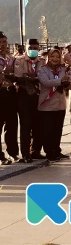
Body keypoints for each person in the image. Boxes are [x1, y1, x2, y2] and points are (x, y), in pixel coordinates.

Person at [13, 39, 44, 163]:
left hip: (38, 95)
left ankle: (35, 151)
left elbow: (43, 76)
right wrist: (34, 78)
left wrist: (32, 78)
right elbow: (19, 77)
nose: (33, 50)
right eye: (31, 48)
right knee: (25, 125)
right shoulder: (19, 60)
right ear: (26, 48)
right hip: (24, 95)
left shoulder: (41, 61)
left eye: (35, 48)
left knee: (38, 124)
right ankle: (25, 153)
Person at [38, 47, 70, 161]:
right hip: (47, 104)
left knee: (58, 129)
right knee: (48, 130)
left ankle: (56, 150)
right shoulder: (43, 69)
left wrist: (66, 81)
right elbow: (46, 82)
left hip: (60, 104)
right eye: (52, 56)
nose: (55, 59)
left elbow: (67, 79)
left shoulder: (62, 69)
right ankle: (49, 152)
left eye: (57, 56)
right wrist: (61, 81)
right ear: (48, 57)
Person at [0, 32, 18, 164]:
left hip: (11, 94)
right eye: (1, 42)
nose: (3, 45)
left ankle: (13, 152)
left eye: (5, 42)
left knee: (12, 125)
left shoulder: (10, 58)